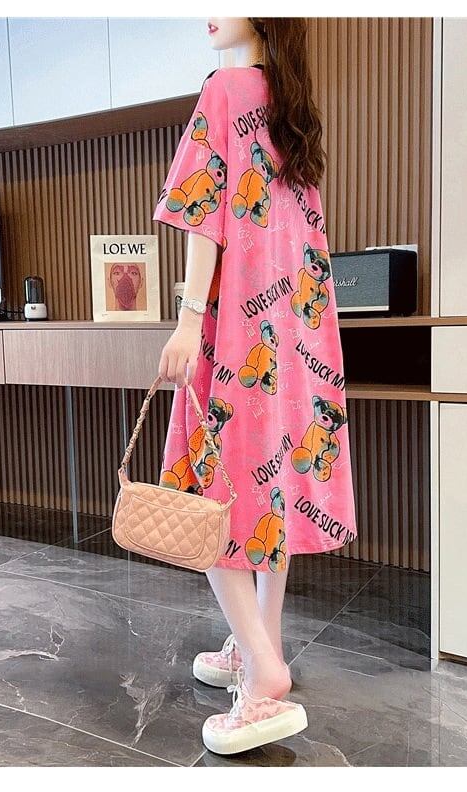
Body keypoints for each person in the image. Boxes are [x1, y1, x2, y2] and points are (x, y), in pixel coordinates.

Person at [151, 17, 358, 756]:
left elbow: (202, 219)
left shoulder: (224, 90)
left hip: (236, 332)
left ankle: (265, 674)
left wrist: (187, 320)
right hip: (298, 338)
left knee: (207, 496)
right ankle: (256, 642)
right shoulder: (293, 108)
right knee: (270, 489)